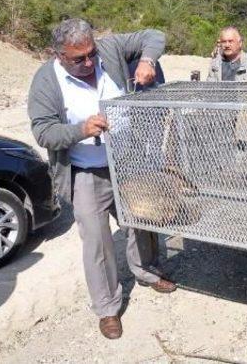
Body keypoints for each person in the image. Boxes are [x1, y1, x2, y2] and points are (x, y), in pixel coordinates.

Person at [27, 18, 176, 340]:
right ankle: (108, 308)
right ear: (58, 55)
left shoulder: (109, 49)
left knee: (142, 220)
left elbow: (154, 34)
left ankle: (147, 272)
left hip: (127, 161)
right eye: (78, 59)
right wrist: (81, 130)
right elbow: (43, 131)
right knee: (97, 241)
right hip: (85, 172)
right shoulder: (46, 81)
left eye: (91, 54)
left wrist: (148, 60)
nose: (89, 63)